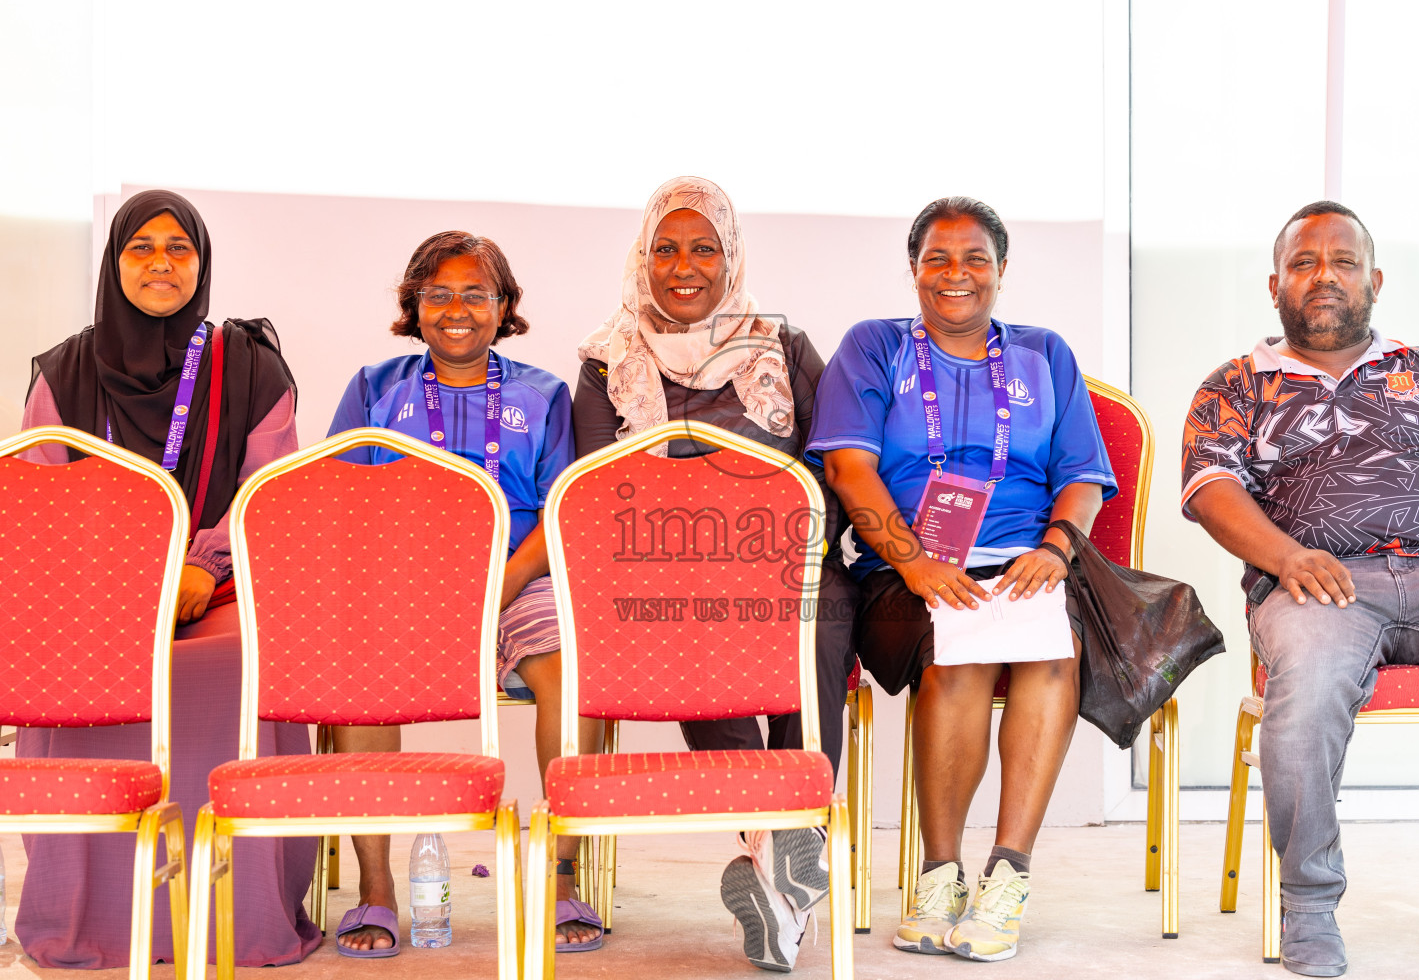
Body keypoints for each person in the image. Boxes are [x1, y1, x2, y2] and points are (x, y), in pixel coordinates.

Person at [1182, 200, 1419, 979]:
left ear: (1373, 279)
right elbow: (1211, 492)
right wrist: (1285, 555)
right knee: (1305, 686)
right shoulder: (1236, 385)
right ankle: (1308, 900)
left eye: (1342, 262)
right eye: (1305, 263)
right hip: (1316, 585)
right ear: (1275, 283)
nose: (1324, 276)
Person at [806, 196, 1116, 963]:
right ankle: (939, 875)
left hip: (1025, 563)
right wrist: (915, 562)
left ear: (1002, 271)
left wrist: (1055, 548)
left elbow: (1082, 476)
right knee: (960, 659)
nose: (957, 274)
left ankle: (1008, 875)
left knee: (1052, 652)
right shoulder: (873, 348)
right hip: (904, 572)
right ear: (913, 270)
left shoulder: (1046, 353)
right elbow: (849, 469)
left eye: (975, 258)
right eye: (937, 259)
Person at [16, 190, 319, 967]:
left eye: (178, 248)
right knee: (70, 662)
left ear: (202, 262)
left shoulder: (250, 366)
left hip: (213, 588)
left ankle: (238, 917)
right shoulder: (63, 372)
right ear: (115, 262)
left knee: (246, 656)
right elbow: (41, 507)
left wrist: (198, 564)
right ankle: (95, 919)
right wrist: (127, 580)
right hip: (100, 592)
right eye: (141, 248)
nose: (160, 263)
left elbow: (268, 494)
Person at [571, 176, 857, 972]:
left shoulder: (782, 342)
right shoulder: (606, 360)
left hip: (785, 562)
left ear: (730, 256)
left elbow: (832, 457)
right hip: (663, 568)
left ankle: (779, 861)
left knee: (825, 614)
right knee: (683, 619)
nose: (684, 264)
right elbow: (593, 491)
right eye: (666, 247)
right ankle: (787, 835)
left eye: (704, 247)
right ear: (644, 256)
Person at [325, 230, 600, 955]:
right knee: (362, 681)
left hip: (513, 579)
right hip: (399, 582)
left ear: (503, 306)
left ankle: (562, 878)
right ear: (412, 306)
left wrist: (500, 582)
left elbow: (561, 509)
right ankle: (377, 889)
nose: (456, 309)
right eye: (437, 294)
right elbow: (338, 498)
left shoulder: (544, 394)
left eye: (475, 294)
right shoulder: (373, 387)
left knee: (569, 674)